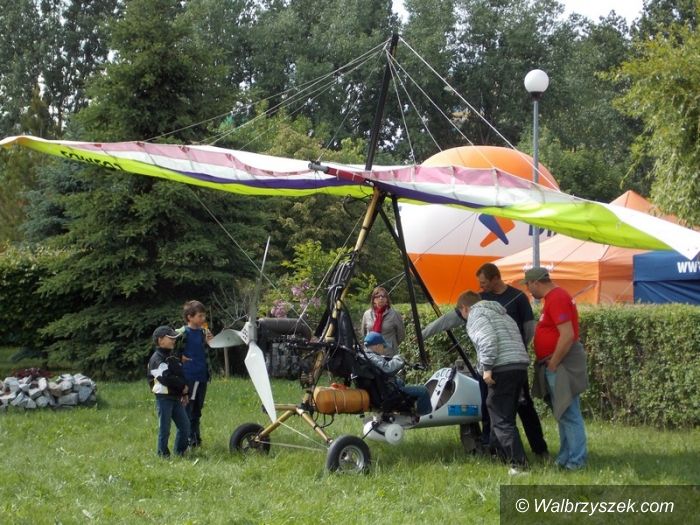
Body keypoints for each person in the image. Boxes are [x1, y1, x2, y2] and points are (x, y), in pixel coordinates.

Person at [476, 263, 549, 458]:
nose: (481, 287)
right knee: (489, 405)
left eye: (484, 282)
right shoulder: (481, 298)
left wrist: (517, 349)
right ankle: (492, 448)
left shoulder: (518, 297)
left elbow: (529, 328)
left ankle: (539, 448)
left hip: (512, 362)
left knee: (524, 406)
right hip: (491, 364)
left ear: (495, 278)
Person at [522, 267, 588, 471]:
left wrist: (554, 362)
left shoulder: (557, 298)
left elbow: (567, 335)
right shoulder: (552, 298)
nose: (528, 290)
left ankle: (576, 462)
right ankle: (565, 457)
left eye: (528, 285)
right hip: (556, 361)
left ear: (535, 282)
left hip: (561, 363)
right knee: (563, 412)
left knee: (568, 412)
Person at [457, 291, 530, 474]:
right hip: (519, 365)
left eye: (461, 313)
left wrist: (487, 368)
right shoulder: (502, 314)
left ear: (464, 308)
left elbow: (487, 340)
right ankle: (499, 455)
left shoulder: (476, 315)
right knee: (504, 413)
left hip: (501, 367)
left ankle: (519, 465)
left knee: (500, 417)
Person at [362, 331, 432, 416]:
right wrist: (398, 358)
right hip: (387, 393)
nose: (384, 350)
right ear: (377, 346)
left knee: (400, 382)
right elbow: (388, 369)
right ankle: (423, 417)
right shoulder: (373, 358)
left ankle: (406, 412)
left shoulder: (363, 356)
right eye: (383, 346)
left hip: (378, 392)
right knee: (423, 391)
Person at [147, 325, 190, 458]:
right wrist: (182, 387)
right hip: (163, 398)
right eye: (170, 338)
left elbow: (180, 374)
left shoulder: (172, 357)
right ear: (160, 340)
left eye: (174, 338)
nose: (174, 340)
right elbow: (166, 378)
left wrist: (184, 393)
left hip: (176, 397)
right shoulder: (156, 359)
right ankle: (162, 455)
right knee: (164, 429)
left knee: (185, 426)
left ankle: (180, 452)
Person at [177, 300, 214, 448]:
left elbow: (208, 350)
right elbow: (169, 349)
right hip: (189, 376)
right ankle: (188, 438)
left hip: (202, 375)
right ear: (189, 317)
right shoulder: (182, 333)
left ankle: (195, 438)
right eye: (200, 316)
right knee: (188, 408)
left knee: (197, 408)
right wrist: (179, 357)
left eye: (204, 316)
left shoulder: (203, 332)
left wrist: (210, 341)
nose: (203, 319)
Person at [360, 286, 405, 357]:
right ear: (373, 300)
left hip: (388, 353)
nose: (381, 298)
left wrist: (391, 345)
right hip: (370, 353)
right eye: (378, 296)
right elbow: (364, 333)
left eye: (383, 296)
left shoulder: (394, 314)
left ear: (387, 299)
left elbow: (401, 335)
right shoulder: (367, 314)